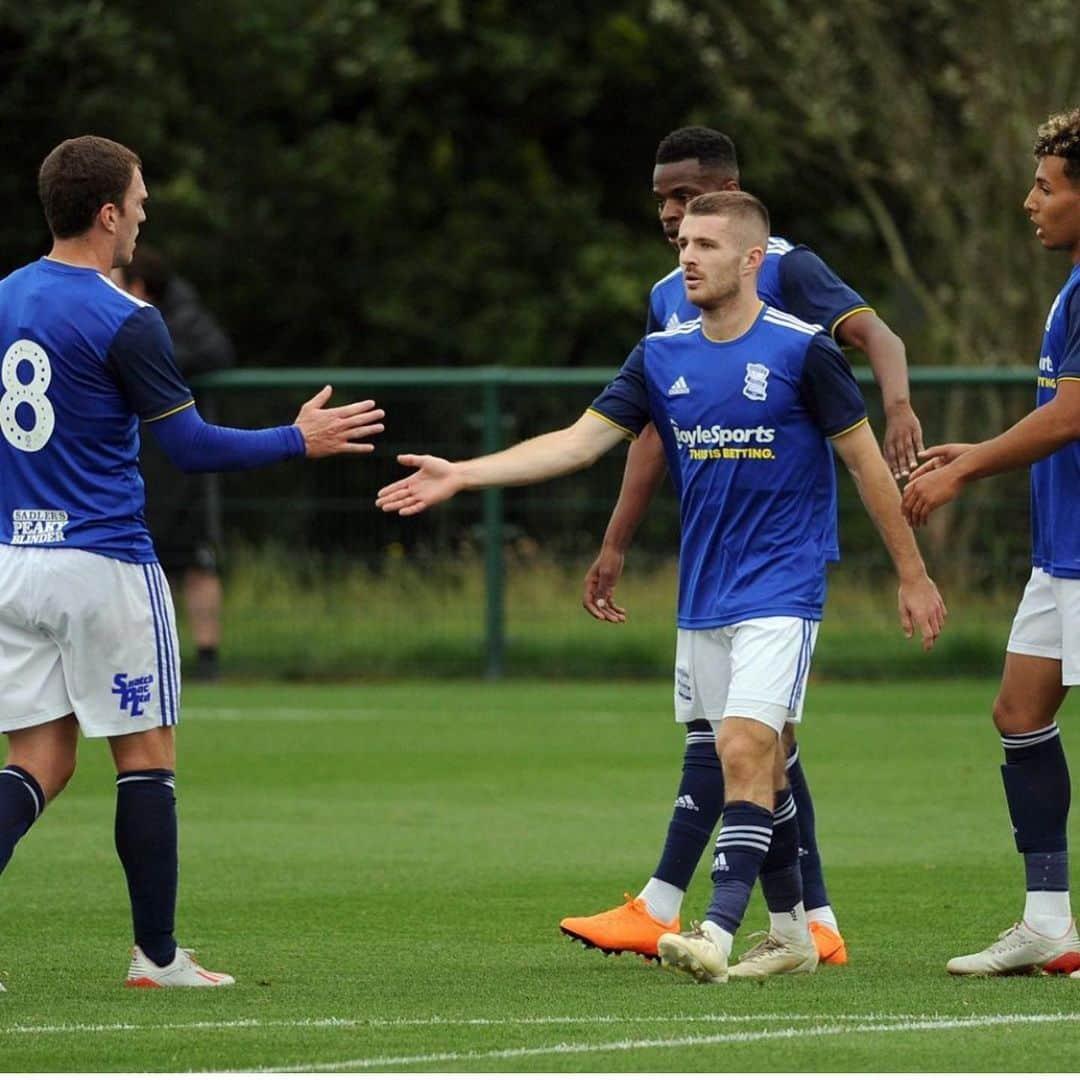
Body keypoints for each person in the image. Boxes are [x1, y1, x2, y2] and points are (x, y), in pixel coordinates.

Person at [378, 191, 945, 983]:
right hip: (704, 594)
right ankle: (793, 934)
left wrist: (912, 575)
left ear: (752, 260)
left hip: (783, 586)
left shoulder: (804, 350)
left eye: (708, 243)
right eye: (683, 241)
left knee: (746, 747)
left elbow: (864, 467)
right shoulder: (661, 355)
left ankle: (712, 930)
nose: (687, 255)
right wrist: (464, 473)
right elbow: (578, 444)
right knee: (762, 764)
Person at [0, 135, 384, 991]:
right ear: (106, 213)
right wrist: (299, 438)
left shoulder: (3, 299)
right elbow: (192, 447)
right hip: (102, 565)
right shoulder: (124, 318)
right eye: (138, 199)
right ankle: (158, 957)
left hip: (13, 563)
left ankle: (157, 955)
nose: (144, 212)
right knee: (145, 758)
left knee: (38, 762)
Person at [562, 126, 924, 967]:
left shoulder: (784, 270)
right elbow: (654, 426)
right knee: (755, 743)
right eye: (663, 207)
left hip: (777, 553)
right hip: (709, 561)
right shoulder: (669, 301)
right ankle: (807, 922)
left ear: (726, 193)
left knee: (740, 741)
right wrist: (616, 538)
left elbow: (879, 340)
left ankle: (690, 912)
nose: (671, 221)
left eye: (685, 203)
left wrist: (897, 409)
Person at [902, 107, 1080, 976]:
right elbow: (1063, 416)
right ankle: (1048, 922)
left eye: (1046, 188)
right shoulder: (1071, 290)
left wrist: (964, 475)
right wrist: (980, 450)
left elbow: (1074, 415)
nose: (1028, 202)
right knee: (1019, 714)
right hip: (1062, 554)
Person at [114, 245, 234, 682]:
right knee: (137, 564)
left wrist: (153, 362)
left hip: (180, 464)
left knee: (196, 559)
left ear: (139, 286)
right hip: (135, 463)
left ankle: (206, 659)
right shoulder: (103, 314)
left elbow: (217, 352)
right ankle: (146, 659)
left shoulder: (178, 317)